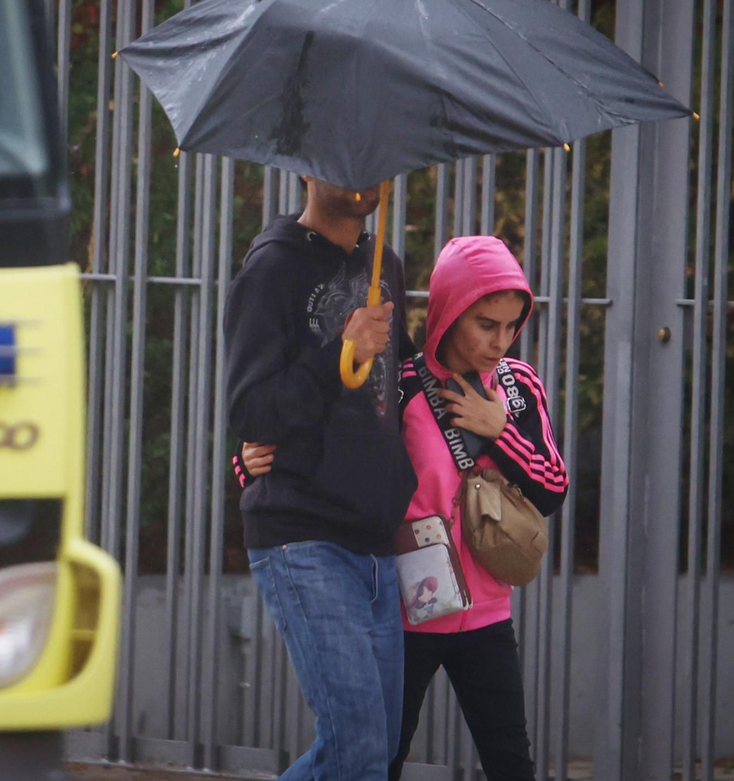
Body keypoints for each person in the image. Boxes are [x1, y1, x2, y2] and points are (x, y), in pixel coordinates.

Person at [239, 235, 568, 781]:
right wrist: (247, 461)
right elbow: (322, 445)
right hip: (407, 611)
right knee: (379, 760)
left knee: (512, 765)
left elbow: (553, 488)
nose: (501, 341)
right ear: (451, 312)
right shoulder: (399, 383)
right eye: (486, 324)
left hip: (488, 614)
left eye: (513, 326)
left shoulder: (518, 386)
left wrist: (501, 431)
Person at [224, 175, 418, 781]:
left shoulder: (385, 264)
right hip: (304, 536)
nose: (361, 175)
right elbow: (250, 410)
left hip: (377, 543)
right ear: (307, 167)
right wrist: (341, 351)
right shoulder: (272, 268)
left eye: (373, 161)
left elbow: (400, 381)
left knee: (374, 753)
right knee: (357, 749)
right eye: (342, 159)